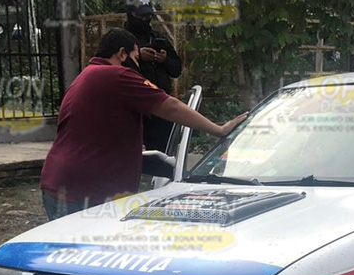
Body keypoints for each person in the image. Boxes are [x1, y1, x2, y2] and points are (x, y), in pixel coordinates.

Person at [39, 28, 246, 220]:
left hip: (62, 185)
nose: (138, 66)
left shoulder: (87, 75)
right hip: (83, 193)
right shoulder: (117, 75)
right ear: (122, 54)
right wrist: (219, 130)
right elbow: (171, 107)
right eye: (136, 58)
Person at [125, 0, 181, 154]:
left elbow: (176, 69)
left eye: (148, 17)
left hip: (159, 107)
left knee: (164, 153)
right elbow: (110, 67)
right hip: (131, 109)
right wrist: (138, 56)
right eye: (140, 17)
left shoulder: (158, 38)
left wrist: (164, 60)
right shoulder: (120, 40)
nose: (144, 21)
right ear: (130, 14)